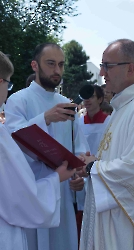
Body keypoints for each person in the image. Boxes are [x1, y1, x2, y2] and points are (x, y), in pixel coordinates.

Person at [79, 39, 134, 250]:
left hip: (127, 227)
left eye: (107, 65)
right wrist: (95, 163)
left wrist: (94, 167)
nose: (101, 72)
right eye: (102, 65)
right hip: (113, 218)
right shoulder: (124, 106)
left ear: (130, 68)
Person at [5, 43, 89, 250]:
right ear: (35, 65)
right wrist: (45, 118)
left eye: (60, 64)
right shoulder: (18, 100)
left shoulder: (66, 104)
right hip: (30, 191)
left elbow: (78, 149)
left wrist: (78, 176)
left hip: (61, 193)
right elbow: (10, 143)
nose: (57, 71)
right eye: (50, 64)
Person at [79, 84, 111, 156]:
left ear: (100, 99)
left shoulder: (109, 122)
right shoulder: (79, 123)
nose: (87, 100)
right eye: (85, 96)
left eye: (91, 96)